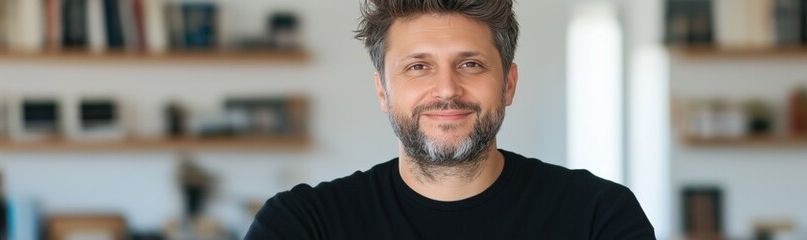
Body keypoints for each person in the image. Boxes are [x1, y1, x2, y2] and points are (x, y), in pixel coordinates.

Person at [245, 0, 655, 239]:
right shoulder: (301, 226)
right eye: (419, 67)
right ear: (383, 91)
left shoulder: (598, 218)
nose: (446, 89)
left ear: (508, 84)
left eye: (471, 64)